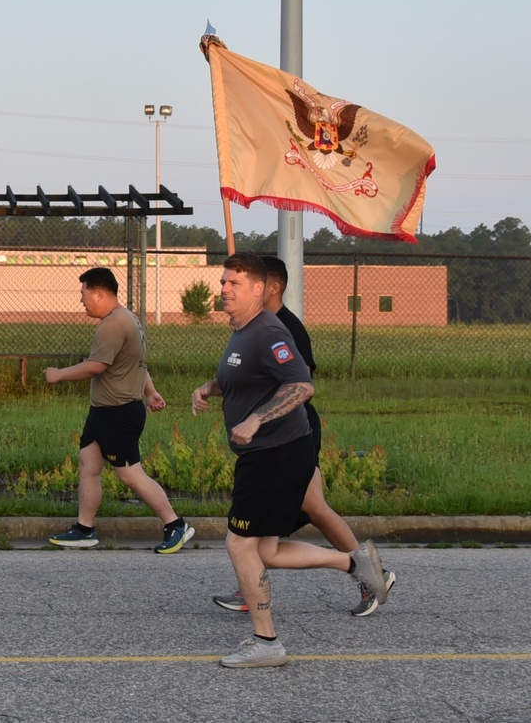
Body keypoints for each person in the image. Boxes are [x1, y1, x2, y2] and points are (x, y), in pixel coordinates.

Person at [191, 252, 387, 667]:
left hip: (275, 453)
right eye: (223, 281)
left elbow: (301, 385)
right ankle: (353, 562)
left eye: (234, 283)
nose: (224, 289)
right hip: (264, 453)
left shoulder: (269, 332)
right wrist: (209, 388)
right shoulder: (241, 331)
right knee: (266, 551)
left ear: (260, 289)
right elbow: (245, 380)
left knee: (239, 544)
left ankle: (267, 643)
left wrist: (257, 419)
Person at [44, 267, 194, 554]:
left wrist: (59, 374)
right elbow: (136, 363)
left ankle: (176, 524)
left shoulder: (113, 324)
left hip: (119, 413)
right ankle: (85, 529)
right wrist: (150, 391)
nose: (81, 301)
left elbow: (96, 366)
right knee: (89, 464)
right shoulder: (128, 318)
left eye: (84, 294)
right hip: (104, 411)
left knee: (129, 474)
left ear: (99, 294)